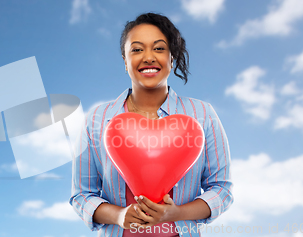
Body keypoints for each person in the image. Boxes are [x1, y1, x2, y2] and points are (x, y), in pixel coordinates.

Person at [69, 13, 233, 237]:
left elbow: (222, 189)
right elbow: (82, 195)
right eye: (136, 50)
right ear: (125, 62)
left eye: (159, 48)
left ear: (172, 58)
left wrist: (176, 213)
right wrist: (118, 215)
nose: (148, 57)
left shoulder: (203, 115)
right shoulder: (97, 119)